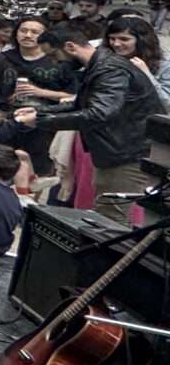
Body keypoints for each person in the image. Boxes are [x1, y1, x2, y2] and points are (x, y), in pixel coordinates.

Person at [16, 25, 163, 227]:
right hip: (115, 151)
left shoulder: (110, 69)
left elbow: (99, 113)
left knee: (111, 218)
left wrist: (41, 121)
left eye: (55, 55)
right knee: (105, 211)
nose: (56, 62)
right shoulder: (100, 66)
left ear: (70, 47)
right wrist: (40, 113)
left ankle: (110, 258)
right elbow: (81, 106)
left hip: (127, 154)